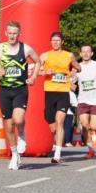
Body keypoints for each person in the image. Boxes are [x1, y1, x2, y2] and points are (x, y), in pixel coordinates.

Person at [0, 21, 40, 170]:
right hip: (4, 90)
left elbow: (38, 61)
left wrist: (33, 77)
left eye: (15, 33)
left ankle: (22, 135)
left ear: (19, 34)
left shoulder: (25, 48)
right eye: (10, 33)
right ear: (5, 33)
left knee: (18, 119)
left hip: (20, 89)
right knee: (8, 126)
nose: (12, 36)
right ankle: (15, 154)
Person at [39, 31, 80, 164]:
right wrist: (45, 72)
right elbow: (36, 71)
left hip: (63, 92)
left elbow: (78, 67)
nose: (55, 43)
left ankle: (57, 154)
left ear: (62, 42)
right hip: (49, 91)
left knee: (60, 121)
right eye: (53, 41)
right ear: (51, 42)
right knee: (52, 125)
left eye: (58, 41)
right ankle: (57, 142)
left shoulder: (69, 55)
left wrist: (74, 70)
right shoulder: (45, 56)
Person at [73, 44, 96, 159]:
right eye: (83, 52)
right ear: (80, 54)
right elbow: (73, 82)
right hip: (82, 100)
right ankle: (90, 149)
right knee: (85, 125)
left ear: (91, 53)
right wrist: (71, 84)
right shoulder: (77, 67)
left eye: (88, 51)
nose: (86, 53)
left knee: (94, 126)